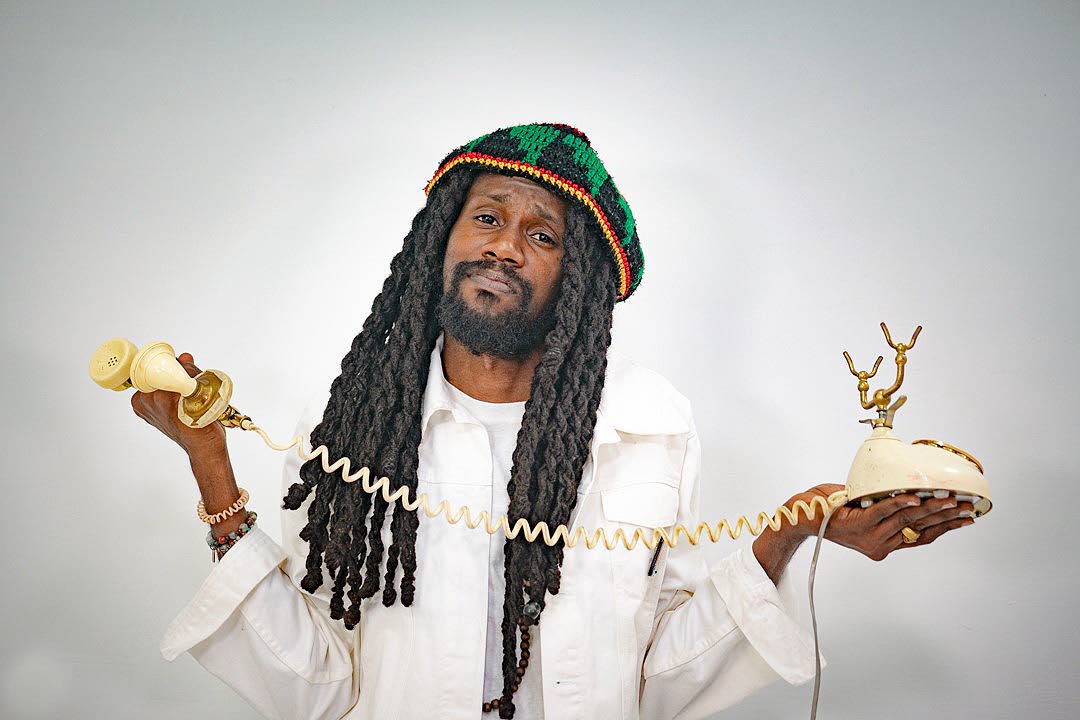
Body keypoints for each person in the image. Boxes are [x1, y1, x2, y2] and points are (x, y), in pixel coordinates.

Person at [131, 123, 976, 720]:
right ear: (442, 238)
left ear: (578, 282)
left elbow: (655, 683)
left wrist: (787, 537)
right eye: (488, 217)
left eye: (543, 235)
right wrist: (211, 463)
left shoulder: (650, 429)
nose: (505, 246)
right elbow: (315, 689)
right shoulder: (355, 431)